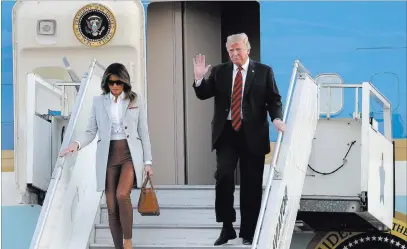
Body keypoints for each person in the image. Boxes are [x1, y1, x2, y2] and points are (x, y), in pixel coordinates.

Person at [192, 33, 285, 246]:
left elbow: (273, 99)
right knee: (224, 176)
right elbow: (203, 94)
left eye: (238, 49)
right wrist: (199, 79)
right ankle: (227, 227)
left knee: (251, 184)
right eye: (231, 50)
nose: (234, 53)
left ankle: (249, 231)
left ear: (248, 49)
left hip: (252, 133)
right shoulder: (220, 71)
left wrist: (277, 119)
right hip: (227, 133)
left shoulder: (263, 71)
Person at [60, 63, 153, 249]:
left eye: (118, 82)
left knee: (121, 195)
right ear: (106, 83)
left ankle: (128, 242)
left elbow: (144, 132)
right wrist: (76, 145)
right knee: (111, 207)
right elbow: (90, 131)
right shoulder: (98, 101)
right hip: (108, 157)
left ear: (124, 82)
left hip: (129, 155)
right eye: (111, 82)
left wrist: (148, 162)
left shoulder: (135, 100)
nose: (115, 86)